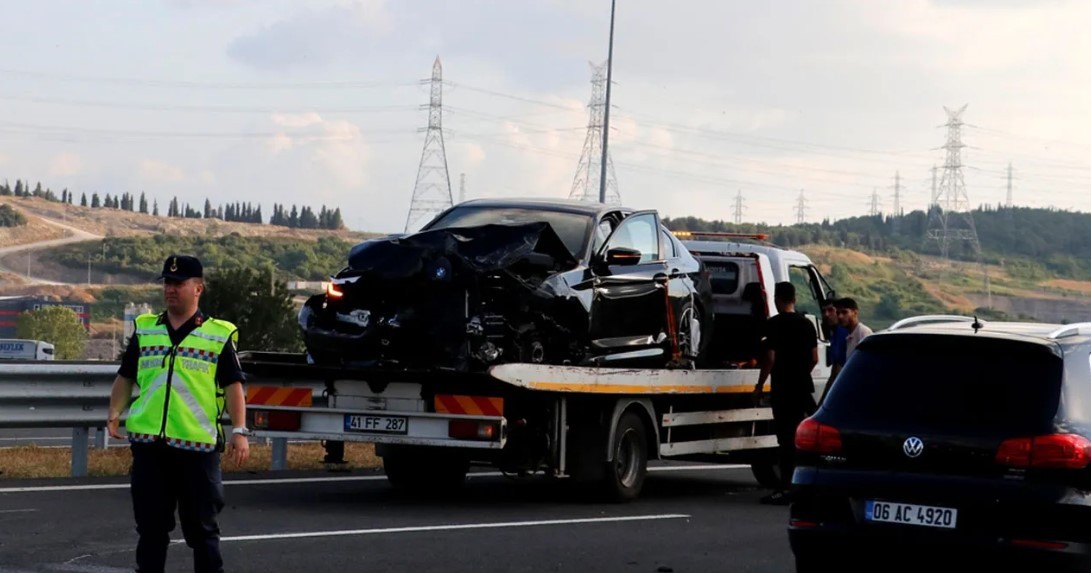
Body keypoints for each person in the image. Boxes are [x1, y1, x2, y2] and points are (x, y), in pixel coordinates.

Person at [107, 254, 249, 573]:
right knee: (151, 530)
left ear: (198, 288)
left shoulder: (217, 334)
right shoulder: (146, 330)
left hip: (196, 448)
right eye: (167, 283)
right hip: (150, 447)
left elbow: (233, 386)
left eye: (178, 283)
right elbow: (126, 375)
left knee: (202, 532)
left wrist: (240, 431)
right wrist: (114, 410)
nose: (171, 290)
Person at [754, 282, 818, 505]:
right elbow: (815, 359)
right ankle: (805, 485)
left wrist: (760, 385)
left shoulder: (774, 324)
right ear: (794, 298)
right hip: (802, 387)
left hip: (783, 388)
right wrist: (801, 373)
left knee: (785, 440)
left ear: (778, 299)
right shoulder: (807, 324)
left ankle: (785, 488)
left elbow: (770, 358)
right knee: (802, 438)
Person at [818, 298, 848, 404]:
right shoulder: (834, 334)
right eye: (824, 311)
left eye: (830, 310)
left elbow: (837, 369)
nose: (826, 315)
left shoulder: (843, 332)